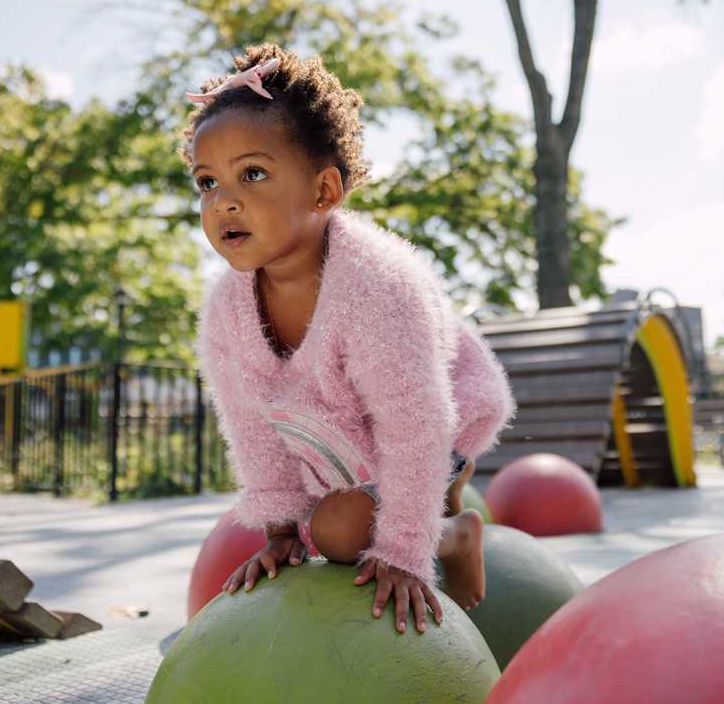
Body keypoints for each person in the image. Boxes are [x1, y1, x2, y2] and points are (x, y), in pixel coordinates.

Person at [186, 44, 517, 635]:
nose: (223, 201)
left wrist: (405, 555)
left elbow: (416, 426)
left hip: (446, 409)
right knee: (322, 520)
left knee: (340, 533)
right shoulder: (226, 309)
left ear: (325, 192)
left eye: (252, 173)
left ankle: (454, 533)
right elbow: (249, 427)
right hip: (344, 427)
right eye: (207, 182)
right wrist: (282, 531)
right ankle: (442, 502)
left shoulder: (378, 286)